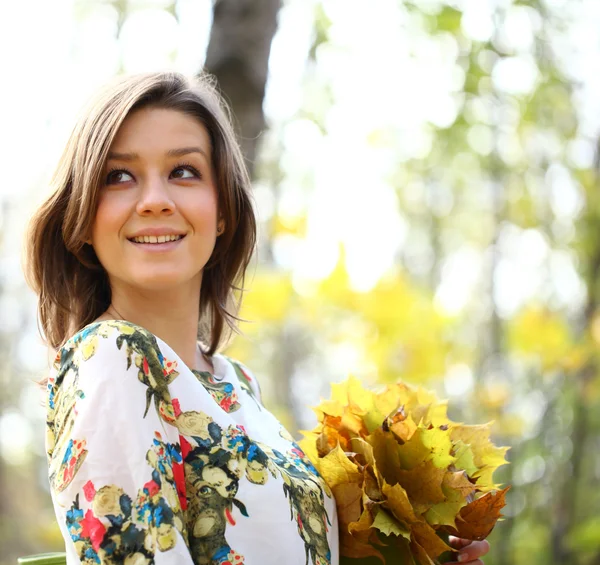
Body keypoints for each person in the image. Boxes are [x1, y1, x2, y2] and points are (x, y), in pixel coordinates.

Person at [25, 72, 490, 565]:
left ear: (221, 209)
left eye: (184, 171)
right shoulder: (108, 357)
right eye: (119, 176)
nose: (155, 199)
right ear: (82, 218)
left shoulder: (237, 384)